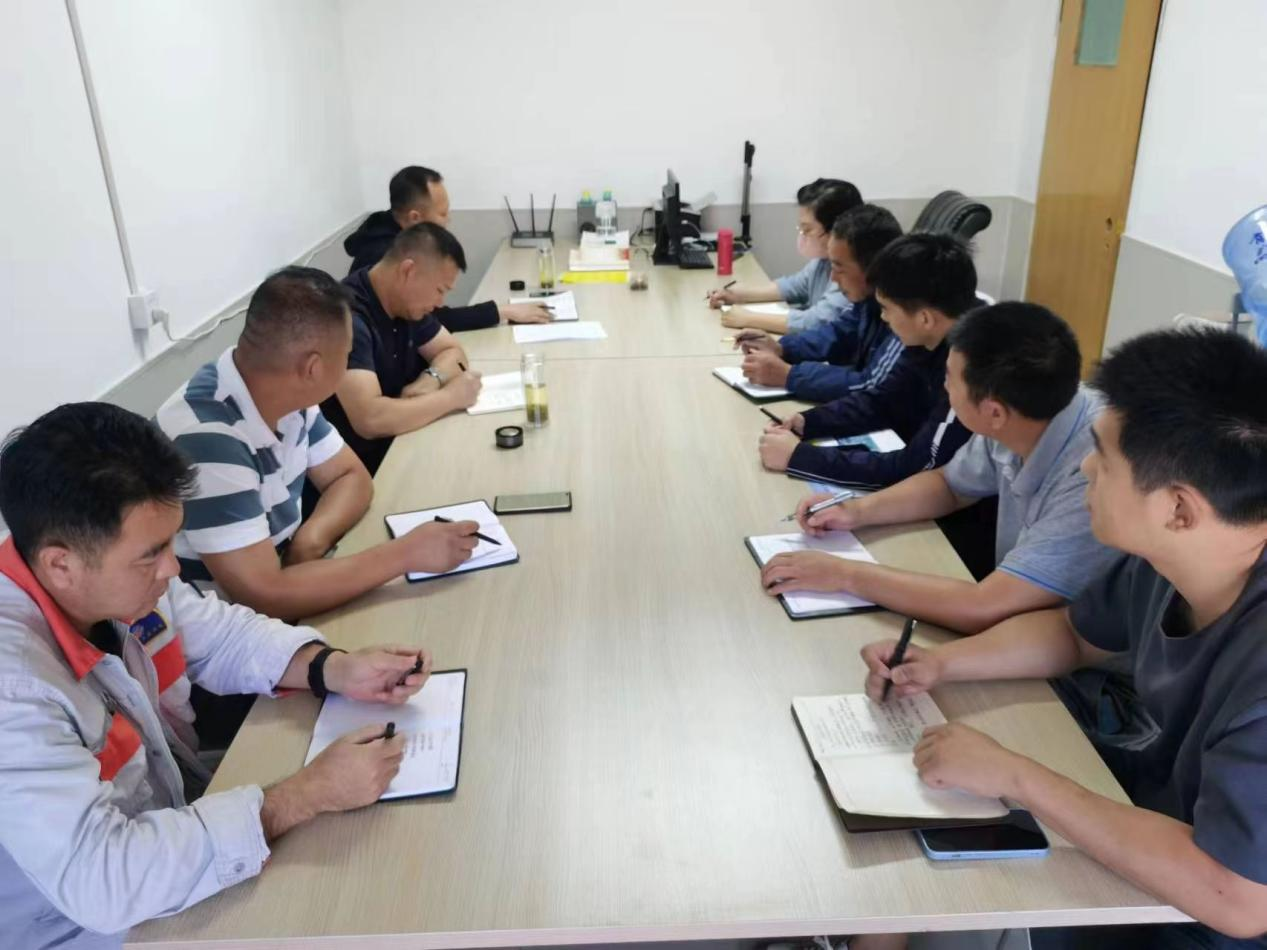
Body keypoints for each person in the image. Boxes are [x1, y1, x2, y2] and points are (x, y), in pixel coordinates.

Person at [860, 328, 1267, 949]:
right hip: (1162, 822)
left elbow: (1238, 900)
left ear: (1179, 510)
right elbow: (1073, 634)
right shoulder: (1174, 560)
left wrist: (1016, 776)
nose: (1084, 467)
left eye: (1104, 458)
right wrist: (941, 664)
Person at [0, 402, 437, 949]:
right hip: (85, 927)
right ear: (60, 564)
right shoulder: (16, 690)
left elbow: (221, 634)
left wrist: (331, 667)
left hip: (172, 845)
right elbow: (104, 881)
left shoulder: (111, 581)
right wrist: (303, 795)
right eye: (152, 554)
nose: (173, 568)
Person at [762, 303, 1117, 635]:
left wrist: (844, 574)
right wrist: (855, 511)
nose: (944, 388)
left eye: (949, 379)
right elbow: (950, 486)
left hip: (1065, 655)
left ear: (994, 412)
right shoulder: (1022, 413)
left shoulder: (1096, 472)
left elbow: (986, 605)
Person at [156, 266, 479, 620]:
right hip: (217, 634)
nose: (349, 366)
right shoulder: (209, 439)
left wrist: (308, 543)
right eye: (347, 356)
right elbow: (264, 596)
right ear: (313, 368)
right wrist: (406, 554)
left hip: (279, 597)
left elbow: (351, 478)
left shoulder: (281, 388)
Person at [757, 232, 975, 488]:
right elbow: (882, 401)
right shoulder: (927, 340)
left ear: (924, 319)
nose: (884, 318)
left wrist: (799, 457)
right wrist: (809, 422)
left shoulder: (968, 370)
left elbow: (916, 467)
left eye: (886, 309)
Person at [323, 222, 485, 475]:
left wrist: (431, 379)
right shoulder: (348, 319)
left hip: (404, 440)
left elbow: (452, 351)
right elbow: (370, 419)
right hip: (364, 469)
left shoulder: (405, 304)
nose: (440, 302)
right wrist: (451, 397)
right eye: (439, 290)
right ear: (409, 271)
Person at [734, 204, 907, 403]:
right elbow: (835, 335)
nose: (833, 278)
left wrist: (789, 375)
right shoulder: (866, 300)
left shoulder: (905, 314)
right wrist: (782, 349)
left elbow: (871, 385)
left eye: (839, 268)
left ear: (874, 268)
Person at [343, 165, 550, 328]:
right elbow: (434, 319)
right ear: (415, 218)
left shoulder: (396, 236)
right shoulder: (384, 257)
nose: (448, 220)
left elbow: (429, 326)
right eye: (442, 214)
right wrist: (502, 311)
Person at [707, 178, 862, 334]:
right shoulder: (823, 261)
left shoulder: (851, 271)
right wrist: (738, 295)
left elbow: (820, 322)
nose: (802, 235)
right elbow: (795, 286)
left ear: (837, 229)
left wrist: (748, 319)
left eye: (807, 230)